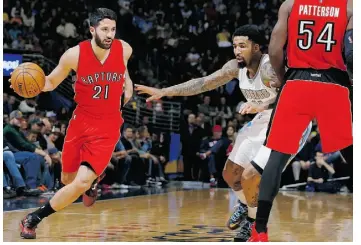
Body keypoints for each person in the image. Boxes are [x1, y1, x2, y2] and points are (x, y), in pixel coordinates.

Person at [135, 25, 311, 241]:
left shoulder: (270, 67)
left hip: (289, 121)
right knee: (230, 174)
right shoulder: (235, 67)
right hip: (263, 119)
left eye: (242, 46)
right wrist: (165, 91)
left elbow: (293, 92)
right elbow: (203, 83)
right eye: (235, 46)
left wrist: (264, 103)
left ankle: (253, 226)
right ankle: (247, 207)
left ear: (256, 48)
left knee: (250, 176)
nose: (237, 51)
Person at [16, 8, 134, 239]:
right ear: (92, 30)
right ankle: (90, 182)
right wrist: (32, 85)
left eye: (113, 29)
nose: (110, 34)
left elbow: (123, 68)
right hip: (81, 122)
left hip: (108, 126)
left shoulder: (124, 48)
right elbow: (50, 82)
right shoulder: (74, 55)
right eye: (104, 30)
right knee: (67, 180)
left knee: (79, 183)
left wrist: (127, 83)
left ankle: (33, 218)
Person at [248, 0, 353, 242]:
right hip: (333, 84)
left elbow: (274, 49)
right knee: (350, 152)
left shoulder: (290, 5)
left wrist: (285, 77)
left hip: (297, 83)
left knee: (277, 157)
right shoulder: (348, 8)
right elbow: (351, 53)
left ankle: (260, 230)